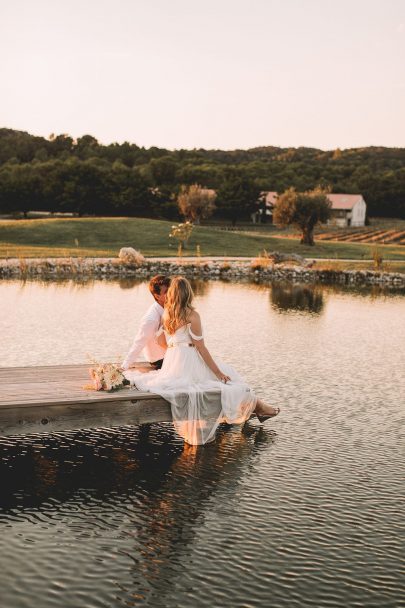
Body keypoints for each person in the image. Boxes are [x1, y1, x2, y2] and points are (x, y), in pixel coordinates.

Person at [124, 276, 280, 445]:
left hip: (173, 361)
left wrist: (176, 351)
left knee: (226, 381)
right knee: (232, 382)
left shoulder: (167, 314)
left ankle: (257, 410)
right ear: (188, 293)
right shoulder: (193, 315)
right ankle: (258, 410)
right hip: (190, 358)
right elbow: (201, 348)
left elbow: (161, 342)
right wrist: (218, 373)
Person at [121, 275, 171, 371]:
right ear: (157, 296)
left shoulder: (168, 308)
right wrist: (124, 366)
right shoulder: (151, 319)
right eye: (166, 292)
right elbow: (139, 343)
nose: (171, 294)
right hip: (161, 360)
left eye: (171, 291)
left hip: (170, 354)